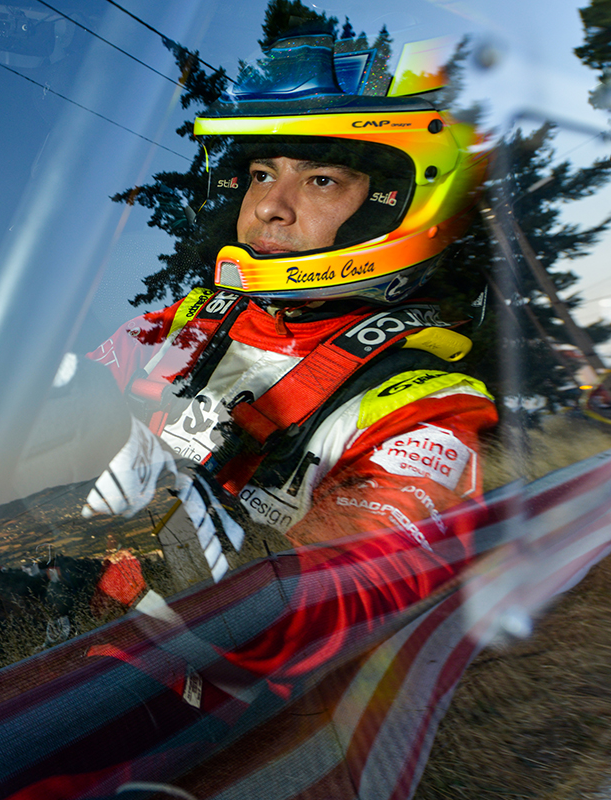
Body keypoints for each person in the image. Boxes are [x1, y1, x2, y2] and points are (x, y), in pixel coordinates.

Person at [79, 32, 497, 708]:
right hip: (56, 652)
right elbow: (52, 406)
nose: (270, 205)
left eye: (321, 178)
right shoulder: (194, 318)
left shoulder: (422, 407)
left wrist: (143, 531)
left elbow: (346, 609)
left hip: (196, 719)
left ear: (396, 200)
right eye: (263, 173)